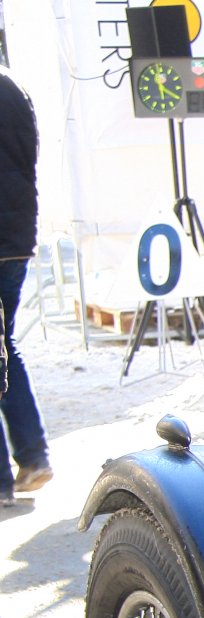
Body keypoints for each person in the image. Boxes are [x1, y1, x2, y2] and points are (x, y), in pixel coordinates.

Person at [0, 67, 52, 507]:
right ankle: (32, 455)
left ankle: (4, 478)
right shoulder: (15, 87)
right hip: (16, 239)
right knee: (4, 345)